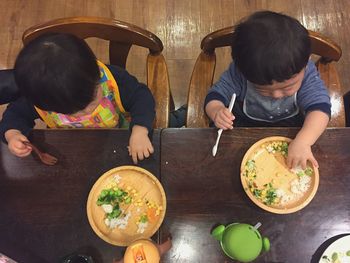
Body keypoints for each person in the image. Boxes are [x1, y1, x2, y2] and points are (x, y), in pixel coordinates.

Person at [0, 33, 155, 164]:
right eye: (77, 112)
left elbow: (142, 96)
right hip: (73, 152)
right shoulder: (42, 95)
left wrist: (140, 131)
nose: (89, 110)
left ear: (96, 74)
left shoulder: (114, 80)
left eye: (93, 98)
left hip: (120, 137)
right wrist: (12, 134)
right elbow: (15, 114)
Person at [204, 11, 331, 169]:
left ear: (305, 64)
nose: (276, 95)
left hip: (292, 129)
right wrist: (216, 110)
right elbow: (216, 95)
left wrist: (303, 141)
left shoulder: (305, 73)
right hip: (243, 127)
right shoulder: (241, 73)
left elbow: (320, 109)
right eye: (262, 89)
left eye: (287, 87)